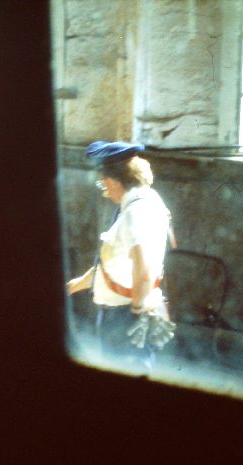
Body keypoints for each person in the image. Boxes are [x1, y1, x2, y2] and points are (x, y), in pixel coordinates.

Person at [66, 141, 175, 371]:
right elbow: (114, 265)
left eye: (103, 183)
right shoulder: (144, 200)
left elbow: (144, 266)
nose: (104, 191)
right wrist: (74, 286)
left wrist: (137, 313)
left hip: (124, 317)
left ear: (113, 181)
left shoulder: (136, 212)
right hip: (120, 313)